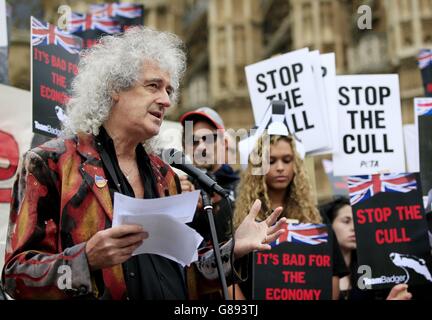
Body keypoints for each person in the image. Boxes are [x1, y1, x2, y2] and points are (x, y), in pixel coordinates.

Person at [1, 27, 286, 300]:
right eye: (153, 86)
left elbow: (183, 272)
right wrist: (86, 259)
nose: (165, 100)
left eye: (169, 91)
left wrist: (233, 249)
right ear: (115, 88)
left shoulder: (165, 174)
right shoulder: (52, 163)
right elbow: (16, 278)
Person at [231, 133, 349, 300]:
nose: (280, 167)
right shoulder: (240, 217)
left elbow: (332, 273)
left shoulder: (315, 216)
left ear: (296, 165)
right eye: (271, 161)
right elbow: (227, 277)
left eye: (287, 160)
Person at [324, 197, 412, 300]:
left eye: (358, 222)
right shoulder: (319, 273)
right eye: (346, 221)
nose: (354, 227)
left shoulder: (372, 272)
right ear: (329, 225)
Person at [179, 107, 239, 243]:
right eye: (194, 141)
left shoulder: (244, 188)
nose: (201, 147)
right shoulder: (179, 190)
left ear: (224, 142)